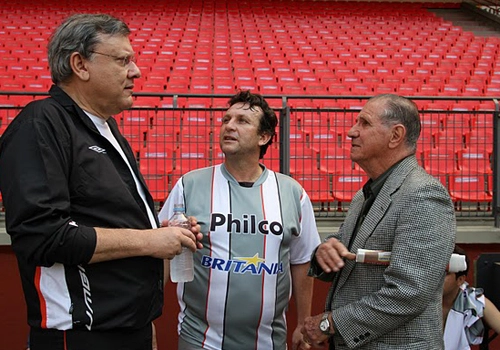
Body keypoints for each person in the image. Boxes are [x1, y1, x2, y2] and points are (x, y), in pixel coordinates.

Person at [0, 14, 202, 350]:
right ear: (80, 64)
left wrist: (164, 232)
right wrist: (149, 241)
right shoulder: (41, 124)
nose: (136, 72)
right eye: (124, 60)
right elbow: (43, 236)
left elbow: (104, 217)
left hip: (128, 329)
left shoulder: (105, 128)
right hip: (80, 335)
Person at [158, 90, 321, 350]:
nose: (229, 126)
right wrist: (148, 314)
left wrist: (303, 322)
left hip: (268, 342)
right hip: (199, 340)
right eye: (226, 119)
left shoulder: (292, 193)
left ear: (264, 137)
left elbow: (302, 261)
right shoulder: (189, 185)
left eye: (242, 121)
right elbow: (162, 249)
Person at [301, 94, 456, 349]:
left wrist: (331, 324)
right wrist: (325, 251)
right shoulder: (366, 194)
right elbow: (346, 251)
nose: (351, 131)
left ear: (395, 135)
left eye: (364, 123)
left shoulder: (423, 194)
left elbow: (409, 292)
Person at [443, 245, 500, 349]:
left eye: (445, 273)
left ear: (460, 280)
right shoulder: (417, 299)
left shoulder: (472, 300)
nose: (437, 278)